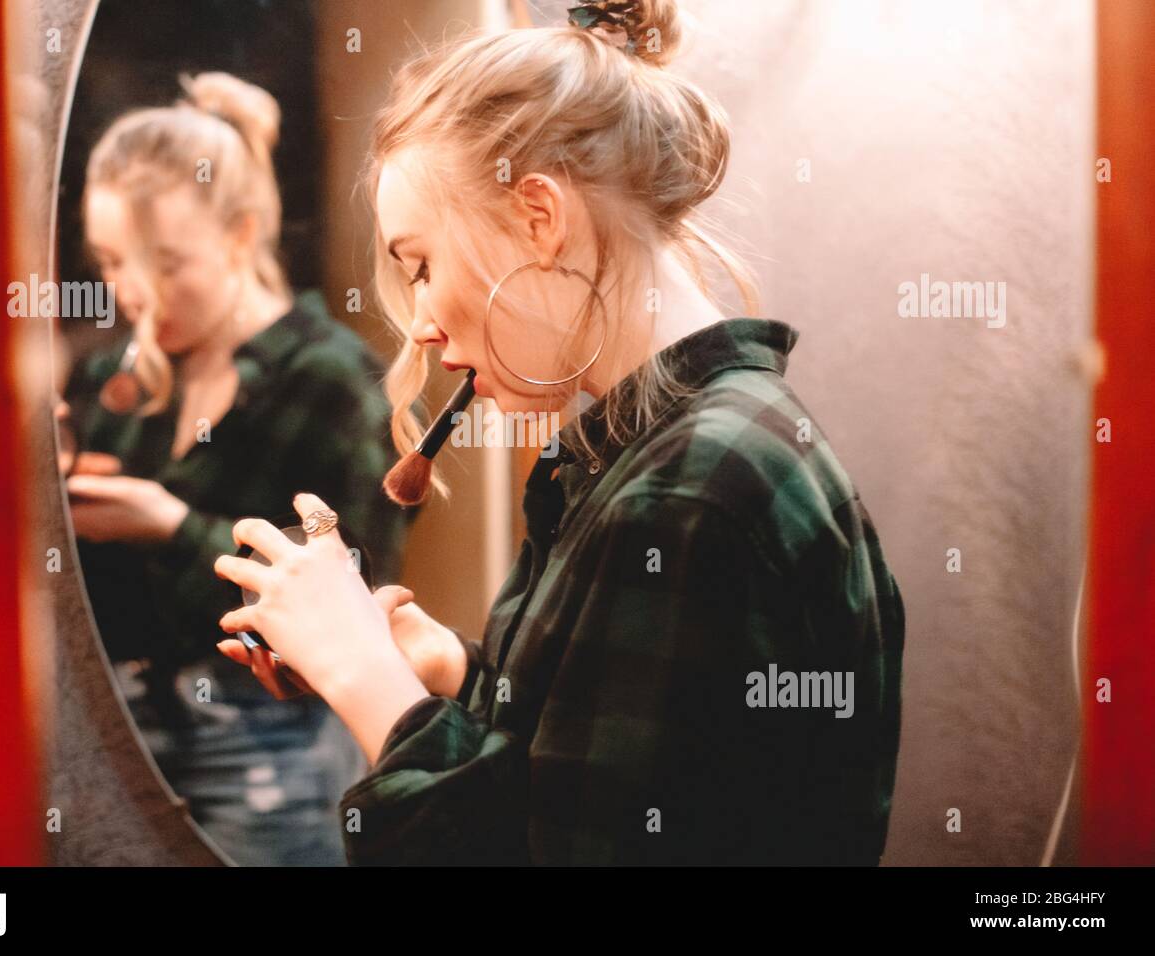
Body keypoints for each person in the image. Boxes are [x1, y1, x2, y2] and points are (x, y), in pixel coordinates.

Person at [216, 0, 906, 865]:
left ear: (540, 217)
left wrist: (370, 682)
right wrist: (452, 678)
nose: (423, 325)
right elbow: (601, 790)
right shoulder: (688, 453)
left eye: (422, 264)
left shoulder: (689, 492)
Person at [61, 72, 407, 865]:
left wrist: (172, 526)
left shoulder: (333, 381)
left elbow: (360, 594)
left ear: (242, 234)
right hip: (116, 719)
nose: (137, 296)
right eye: (113, 262)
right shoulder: (106, 378)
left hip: (269, 740)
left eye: (169, 265)